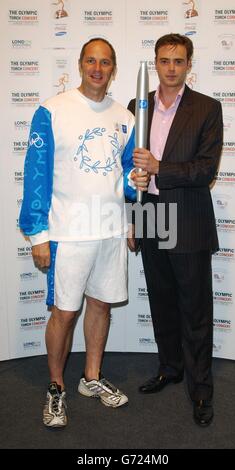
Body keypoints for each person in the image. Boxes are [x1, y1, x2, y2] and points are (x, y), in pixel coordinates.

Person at [19, 37, 148, 428]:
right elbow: (36, 175)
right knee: (64, 312)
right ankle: (56, 386)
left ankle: (90, 378)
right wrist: (38, 234)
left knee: (101, 305)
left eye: (105, 62)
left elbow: (123, 176)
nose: (97, 68)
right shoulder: (52, 111)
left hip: (109, 231)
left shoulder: (124, 118)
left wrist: (134, 183)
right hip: (67, 233)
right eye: (91, 61)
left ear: (113, 69)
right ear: (79, 64)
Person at [128, 33, 223, 427]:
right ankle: (170, 367)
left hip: (186, 216)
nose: (170, 68)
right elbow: (127, 170)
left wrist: (159, 167)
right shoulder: (138, 105)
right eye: (164, 60)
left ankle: (201, 389)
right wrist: (131, 219)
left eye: (178, 61)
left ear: (188, 64)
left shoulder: (207, 108)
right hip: (150, 215)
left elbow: (206, 170)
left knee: (195, 309)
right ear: (155, 62)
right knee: (162, 301)